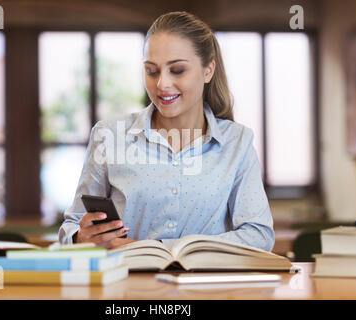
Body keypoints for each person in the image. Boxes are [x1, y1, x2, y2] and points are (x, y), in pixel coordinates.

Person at [58, 11, 275, 251]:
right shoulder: (109, 136)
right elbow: (71, 226)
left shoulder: (238, 142)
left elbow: (259, 236)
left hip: (207, 287)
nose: (162, 84)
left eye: (178, 70)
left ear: (208, 70)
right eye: (152, 71)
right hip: (126, 286)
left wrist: (164, 247)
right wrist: (81, 237)